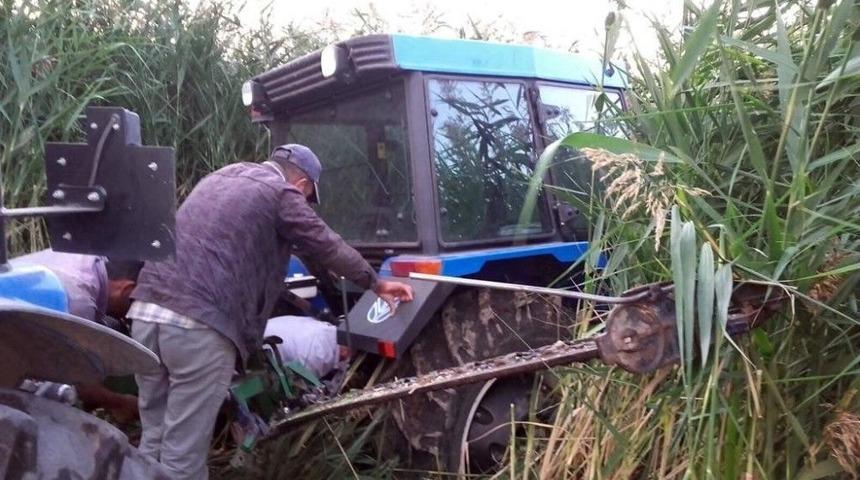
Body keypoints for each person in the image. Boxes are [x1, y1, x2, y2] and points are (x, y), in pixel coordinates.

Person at [128, 144, 414, 480]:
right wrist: (375, 282)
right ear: (303, 185)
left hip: (144, 313)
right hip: (197, 324)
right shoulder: (282, 193)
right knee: (182, 458)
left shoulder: (218, 177)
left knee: (152, 440)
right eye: (308, 198)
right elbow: (326, 244)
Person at [10, 250, 143, 422]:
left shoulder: (81, 257)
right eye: (133, 308)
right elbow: (81, 385)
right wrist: (122, 403)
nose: (128, 317)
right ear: (126, 290)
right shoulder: (79, 298)